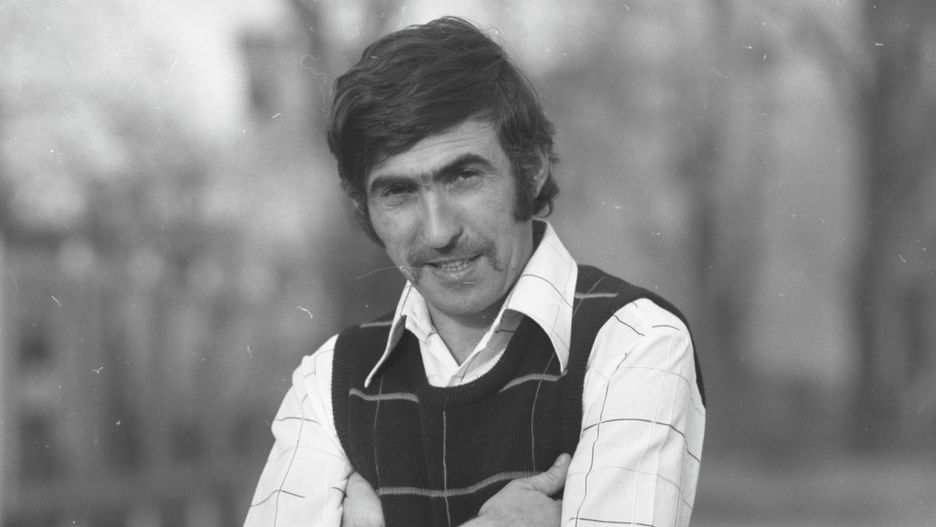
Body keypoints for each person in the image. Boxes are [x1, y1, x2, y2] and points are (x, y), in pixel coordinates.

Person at [244, 16, 706, 527]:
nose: (439, 231)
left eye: (463, 177)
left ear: (532, 169)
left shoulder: (633, 344)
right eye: (398, 192)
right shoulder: (332, 380)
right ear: (363, 208)